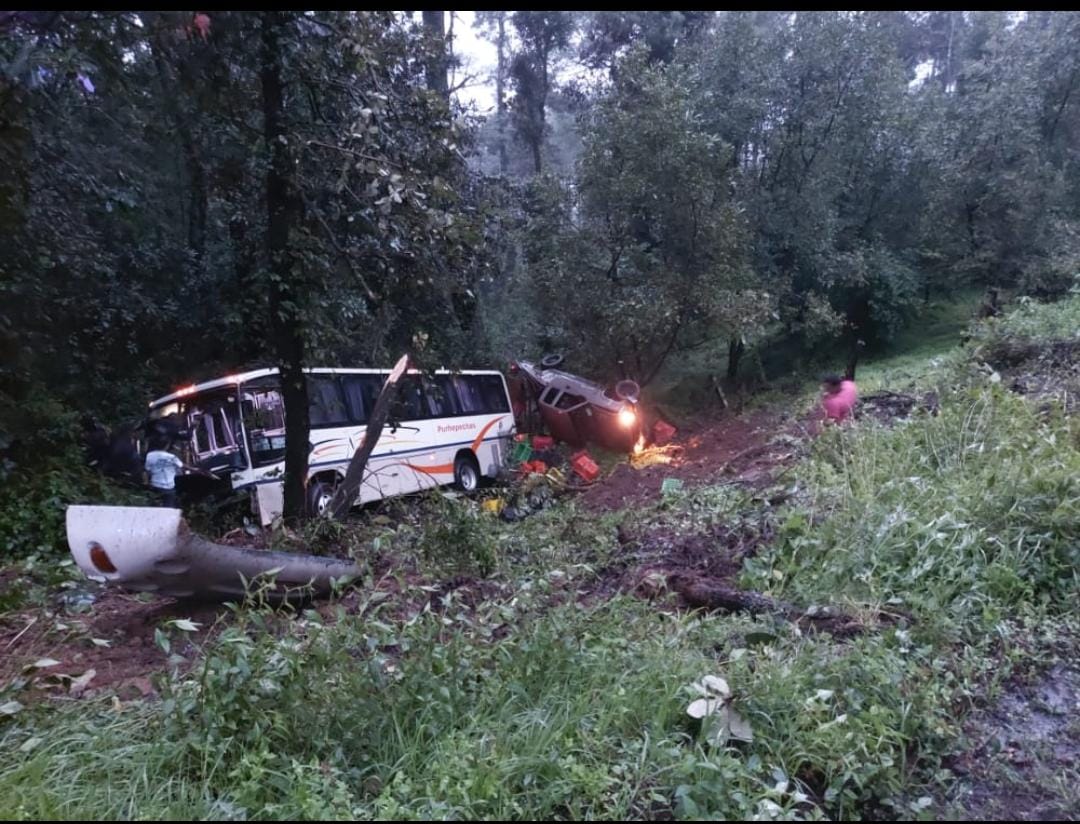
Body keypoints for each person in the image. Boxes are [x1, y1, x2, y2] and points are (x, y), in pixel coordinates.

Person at [144, 436, 190, 508]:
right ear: (167, 445)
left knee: (154, 507)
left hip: (155, 485)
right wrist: (196, 469)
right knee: (169, 507)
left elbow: (147, 470)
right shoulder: (171, 457)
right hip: (169, 487)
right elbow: (182, 466)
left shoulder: (149, 455)